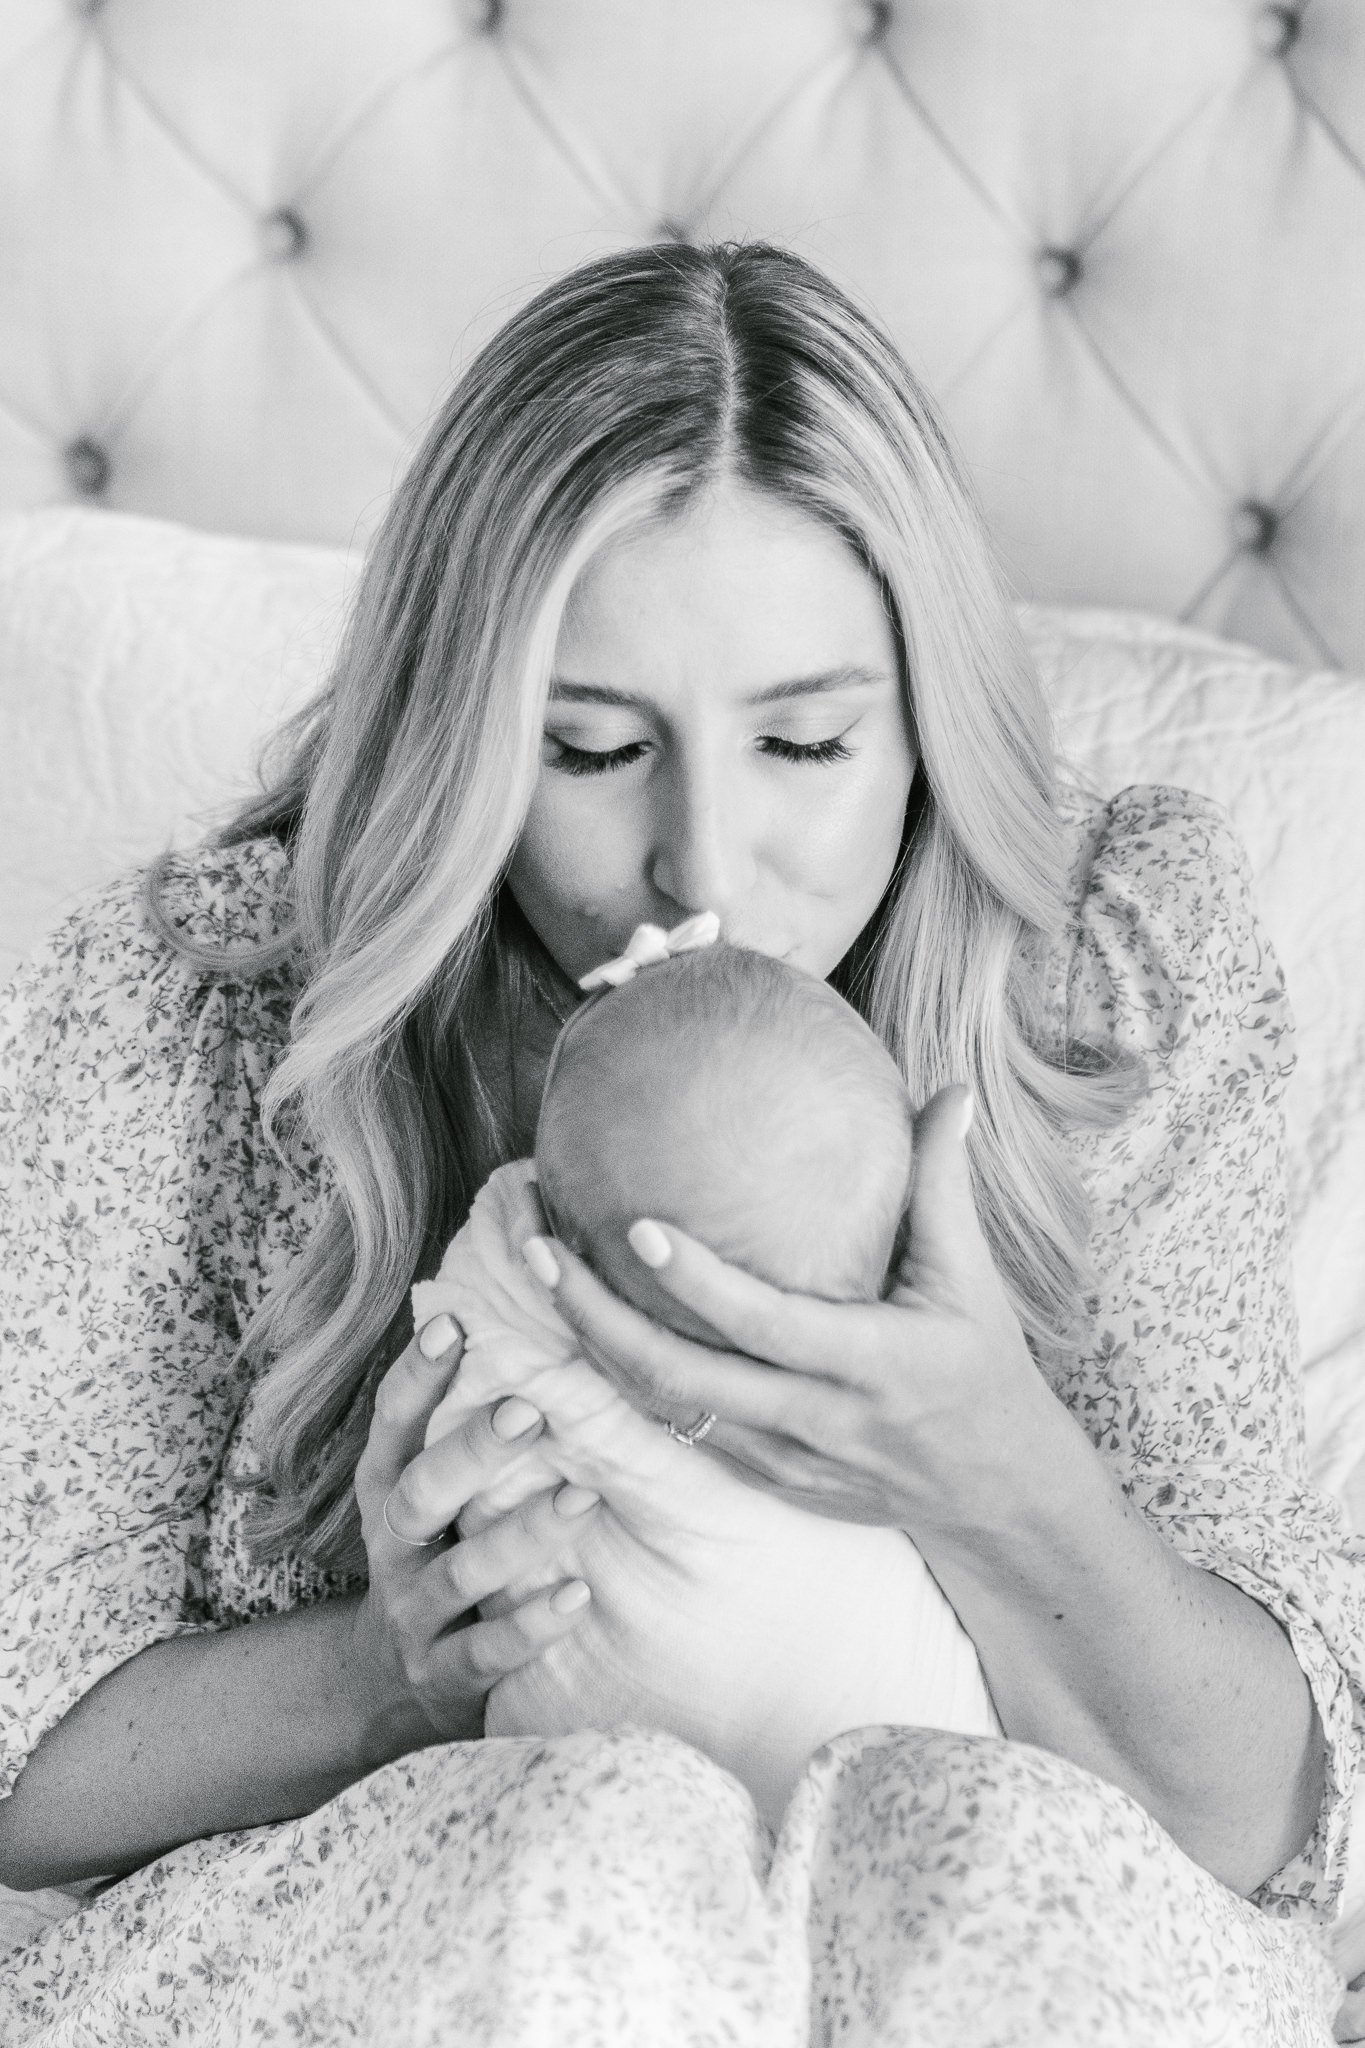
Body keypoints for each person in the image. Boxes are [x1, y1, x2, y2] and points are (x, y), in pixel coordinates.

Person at [0, 240, 1358, 2045]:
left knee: (981, 1871)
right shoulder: (205, 999)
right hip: (439, 1924)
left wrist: (990, 1466)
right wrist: (389, 1672)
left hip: (995, 1918)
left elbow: (1258, 1826)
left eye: (804, 740)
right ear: (456, 729)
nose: (703, 865)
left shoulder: (1098, 974)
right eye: (586, 745)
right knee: (594, 1842)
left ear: (927, 727)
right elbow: (29, 1759)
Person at [413, 934, 1000, 1828]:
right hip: (927, 1792)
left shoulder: (522, 1280)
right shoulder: (904, 1330)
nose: (698, 863)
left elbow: (473, 1363)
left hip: (605, 1809)